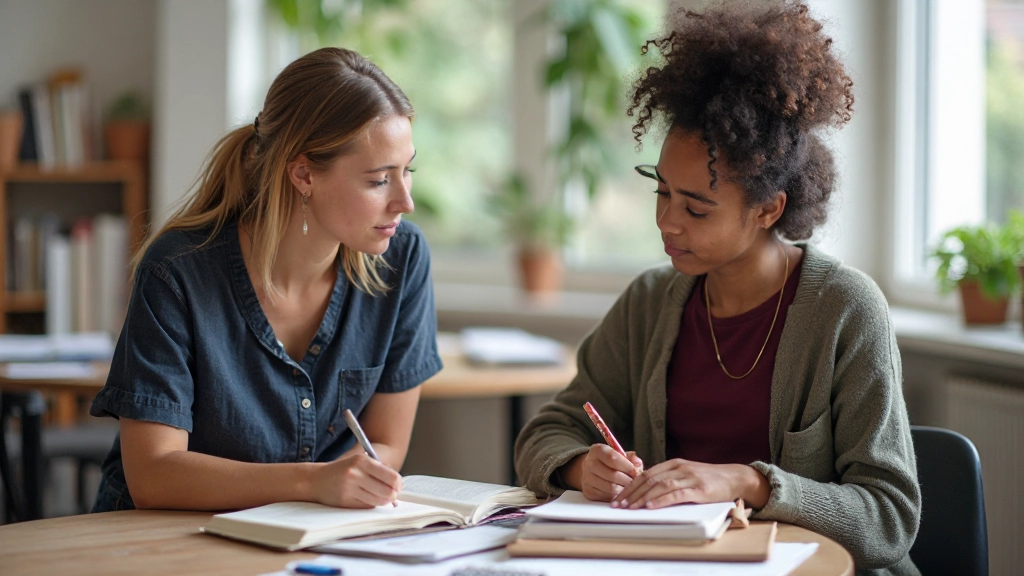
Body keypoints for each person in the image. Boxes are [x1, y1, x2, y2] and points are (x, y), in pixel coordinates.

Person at [514, 3, 921, 575]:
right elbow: (548, 431)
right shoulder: (651, 301)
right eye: (662, 193)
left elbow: (888, 519)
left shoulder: (844, 310)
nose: (667, 223)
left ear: (767, 209)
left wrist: (747, 482)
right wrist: (582, 466)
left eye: (696, 208)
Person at [89, 47, 441, 512]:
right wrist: (312, 483)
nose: (405, 201)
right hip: (160, 537)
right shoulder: (176, 272)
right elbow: (153, 473)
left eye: (407, 171)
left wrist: (349, 485)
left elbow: (385, 444)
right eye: (379, 180)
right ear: (303, 174)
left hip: (311, 533)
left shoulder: (404, 258)